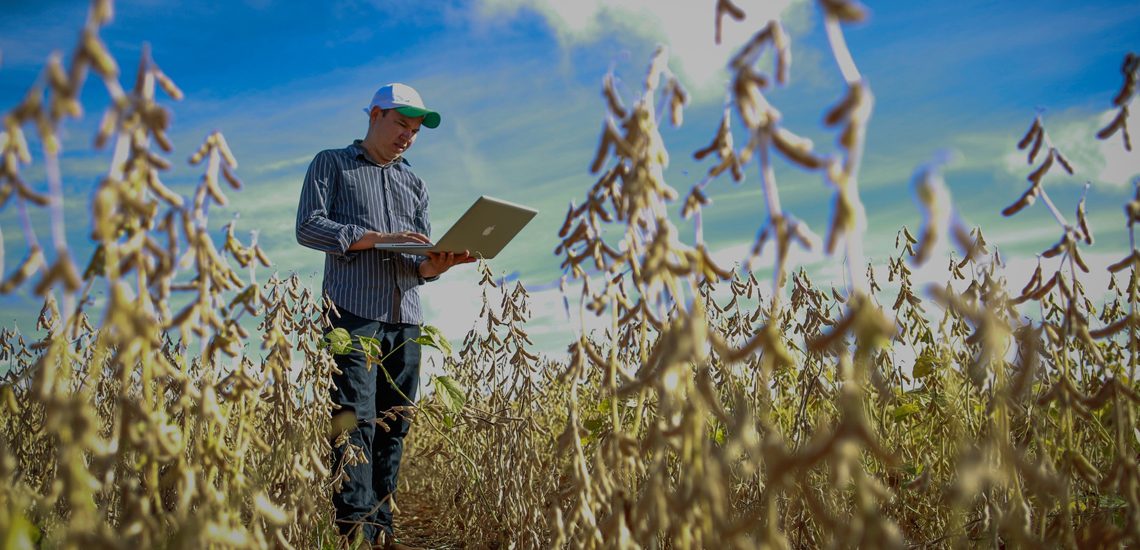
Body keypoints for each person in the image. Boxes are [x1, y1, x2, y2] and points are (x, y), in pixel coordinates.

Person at [295, 82, 473, 549]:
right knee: (355, 419)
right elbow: (308, 226)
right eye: (401, 125)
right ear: (374, 115)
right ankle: (355, 532)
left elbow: (419, 263)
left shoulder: (414, 182)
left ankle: (383, 529)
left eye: (415, 130)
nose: (408, 137)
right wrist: (372, 236)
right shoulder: (331, 164)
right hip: (353, 314)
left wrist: (437, 265)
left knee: (395, 424)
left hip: (406, 316)